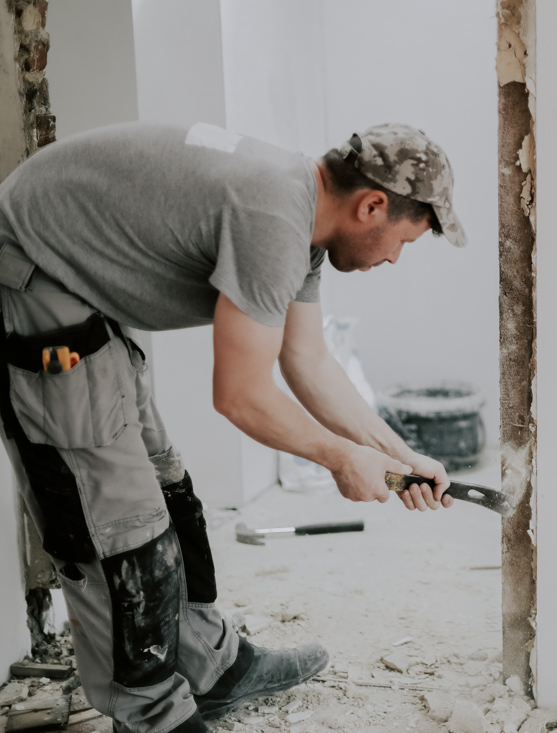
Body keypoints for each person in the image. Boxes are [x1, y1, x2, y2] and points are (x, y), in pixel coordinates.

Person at [0, 120, 465, 732]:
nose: (394, 258)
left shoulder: (300, 216)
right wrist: (339, 459)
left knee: (167, 491)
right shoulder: (273, 219)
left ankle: (209, 669)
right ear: (372, 205)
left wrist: (398, 455)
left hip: (81, 280)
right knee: (117, 525)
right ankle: (151, 716)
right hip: (35, 275)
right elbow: (242, 397)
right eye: (404, 240)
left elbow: (307, 363)